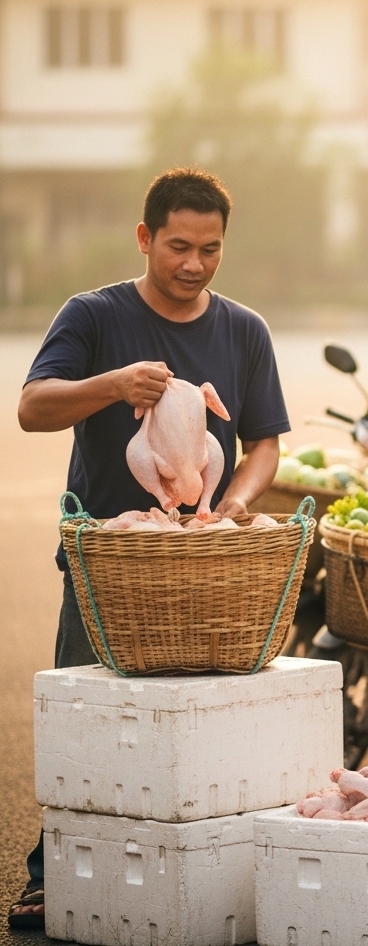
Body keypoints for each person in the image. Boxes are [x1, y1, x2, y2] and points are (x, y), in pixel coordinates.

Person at [8, 168, 290, 930]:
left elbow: (265, 442)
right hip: (109, 565)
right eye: (178, 246)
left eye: (210, 249)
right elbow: (33, 407)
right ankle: (53, 874)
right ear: (144, 238)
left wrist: (235, 503)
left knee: (203, 735)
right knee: (89, 725)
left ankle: (201, 881)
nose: (194, 264)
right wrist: (114, 384)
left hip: (206, 563)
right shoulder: (93, 315)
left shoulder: (244, 330)